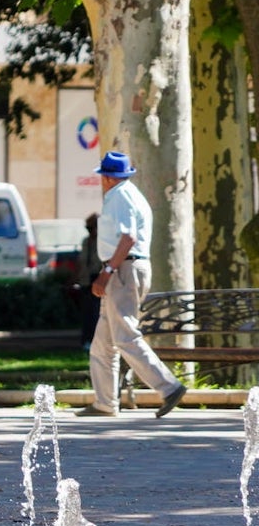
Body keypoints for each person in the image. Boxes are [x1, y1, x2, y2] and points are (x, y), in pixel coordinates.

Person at [77, 151, 186, 418]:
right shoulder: (133, 194)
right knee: (103, 343)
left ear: (106, 177)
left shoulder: (118, 196)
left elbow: (128, 237)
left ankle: (168, 386)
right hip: (129, 267)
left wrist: (108, 271)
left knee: (125, 335)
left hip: (123, 268)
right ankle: (105, 402)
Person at [76, 212, 102, 351]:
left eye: (92, 227)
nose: (91, 231)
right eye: (88, 228)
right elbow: (81, 263)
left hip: (99, 279)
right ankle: (86, 340)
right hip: (86, 281)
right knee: (87, 313)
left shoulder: (103, 242)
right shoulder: (86, 242)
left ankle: (96, 341)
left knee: (97, 313)